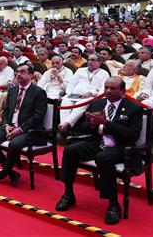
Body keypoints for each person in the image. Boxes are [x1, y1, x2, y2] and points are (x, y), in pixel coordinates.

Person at [55, 77, 143, 225]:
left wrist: (106, 123)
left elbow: (132, 135)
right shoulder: (97, 103)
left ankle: (113, 203)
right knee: (70, 151)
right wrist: (92, 123)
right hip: (97, 141)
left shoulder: (134, 108)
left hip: (120, 146)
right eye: (106, 87)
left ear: (122, 91)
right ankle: (68, 193)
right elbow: (83, 127)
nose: (108, 91)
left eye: (112, 89)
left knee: (103, 158)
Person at [0, 64, 48, 186]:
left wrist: (21, 129)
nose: (18, 74)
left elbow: (38, 116)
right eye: (17, 72)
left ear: (31, 75)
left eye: (23, 72)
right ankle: (11, 172)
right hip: (11, 127)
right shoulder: (12, 90)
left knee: (15, 143)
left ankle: (3, 173)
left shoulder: (39, 92)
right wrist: (6, 125)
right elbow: (6, 111)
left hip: (30, 130)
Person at [59, 54, 110, 132]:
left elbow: (103, 89)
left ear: (99, 62)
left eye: (92, 60)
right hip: (75, 94)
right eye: (89, 60)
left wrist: (92, 93)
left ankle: (66, 124)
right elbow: (71, 83)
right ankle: (63, 125)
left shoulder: (104, 73)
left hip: (90, 97)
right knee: (65, 102)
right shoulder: (80, 70)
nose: (89, 62)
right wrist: (68, 93)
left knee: (80, 105)